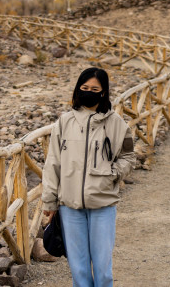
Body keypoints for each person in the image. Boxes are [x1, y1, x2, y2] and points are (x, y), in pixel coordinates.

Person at [42, 67, 135, 287]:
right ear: (77, 89)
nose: (89, 92)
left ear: (103, 93)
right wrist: (50, 200)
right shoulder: (64, 122)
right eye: (84, 88)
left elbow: (129, 156)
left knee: (103, 270)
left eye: (94, 89)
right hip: (70, 207)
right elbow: (53, 162)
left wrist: (113, 173)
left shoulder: (117, 124)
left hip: (103, 205)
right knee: (79, 270)